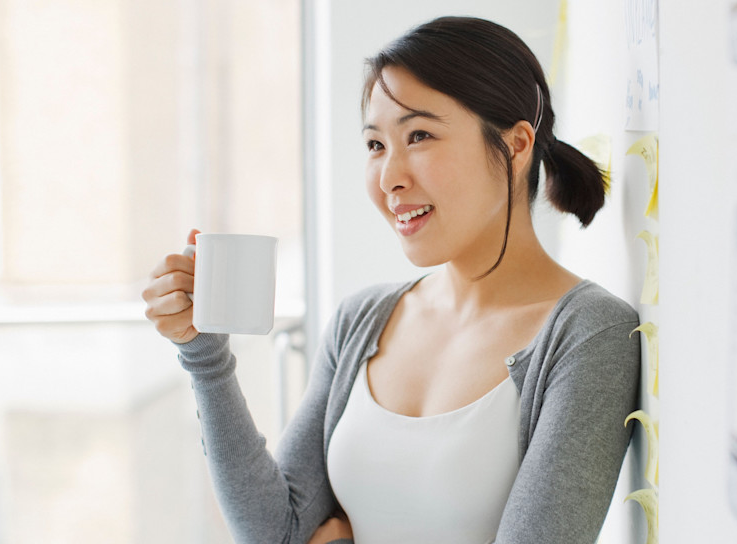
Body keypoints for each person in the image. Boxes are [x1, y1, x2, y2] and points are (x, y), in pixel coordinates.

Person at [141, 16, 641, 544]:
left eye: (419, 135)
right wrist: (202, 351)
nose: (389, 178)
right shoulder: (362, 320)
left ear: (517, 146)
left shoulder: (589, 335)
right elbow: (276, 531)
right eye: (376, 145)